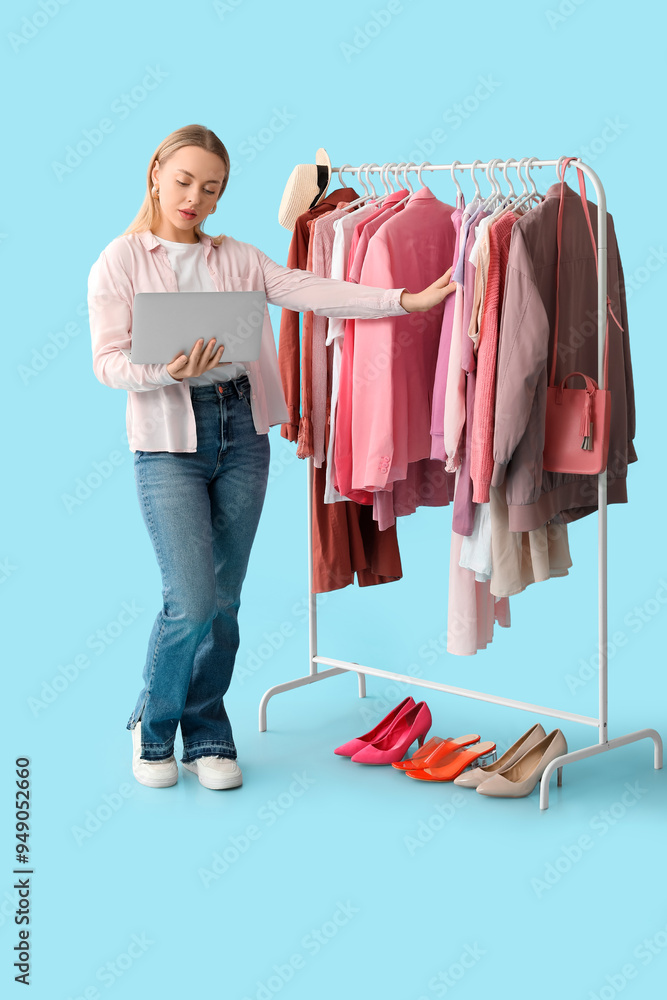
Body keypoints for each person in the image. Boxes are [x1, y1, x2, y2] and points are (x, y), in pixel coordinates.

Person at [87, 123, 456, 792]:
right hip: (168, 440)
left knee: (224, 601)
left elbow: (312, 290)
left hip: (241, 430)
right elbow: (107, 362)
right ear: (155, 175)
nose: (194, 198)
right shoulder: (119, 260)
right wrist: (167, 370)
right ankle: (154, 727)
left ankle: (206, 732)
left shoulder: (238, 257)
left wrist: (406, 300)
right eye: (183, 181)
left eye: (211, 188)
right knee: (190, 599)